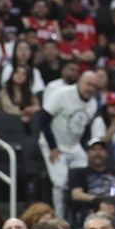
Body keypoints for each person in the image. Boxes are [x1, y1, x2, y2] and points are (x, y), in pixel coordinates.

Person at [38, 71, 100, 218]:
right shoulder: (61, 94)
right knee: (61, 183)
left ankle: (82, 216)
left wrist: (84, 149)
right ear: (79, 82)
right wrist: (53, 146)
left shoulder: (93, 104)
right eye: (88, 84)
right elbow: (43, 119)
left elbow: (84, 129)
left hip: (74, 146)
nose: (90, 89)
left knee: (85, 178)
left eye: (94, 86)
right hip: (54, 144)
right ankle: (59, 218)